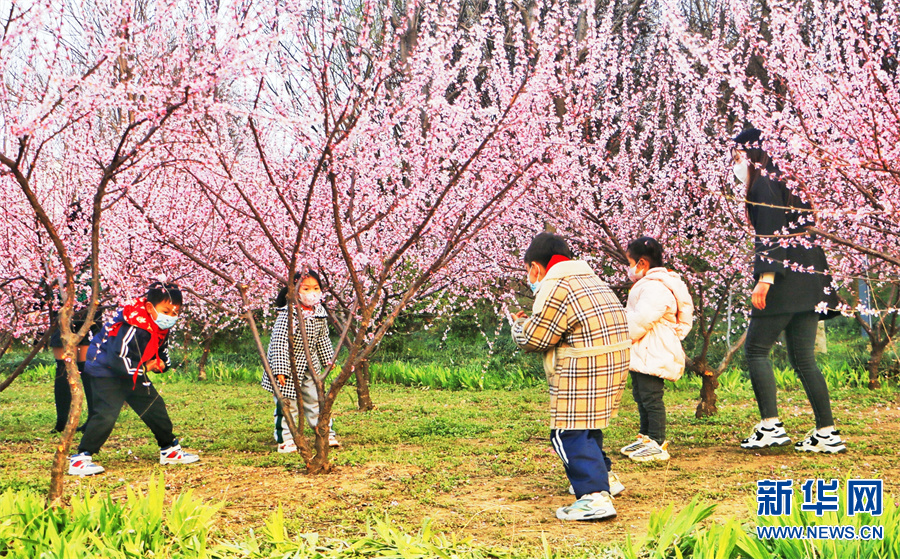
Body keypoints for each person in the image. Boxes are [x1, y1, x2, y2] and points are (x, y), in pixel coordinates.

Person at [731, 128, 845, 453]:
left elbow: (770, 230)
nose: (736, 162)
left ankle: (770, 425)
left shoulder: (764, 184)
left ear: (751, 153)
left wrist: (765, 277)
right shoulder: (788, 181)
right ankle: (827, 432)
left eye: (738, 155)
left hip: (783, 280)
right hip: (810, 279)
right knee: (804, 359)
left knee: (756, 350)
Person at [511, 233, 631, 521]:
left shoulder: (556, 285)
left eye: (528, 269)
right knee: (587, 427)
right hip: (612, 359)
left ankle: (593, 497)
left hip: (585, 364)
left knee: (566, 432)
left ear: (536, 267)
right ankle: (605, 479)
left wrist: (519, 327)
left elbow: (537, 338)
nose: (529, 276)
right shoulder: (591, 279)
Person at [68, 282, 200, 476]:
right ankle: (81, 458)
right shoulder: (132, 325)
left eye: (175, 312)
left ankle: (169, 449)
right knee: (106, 413)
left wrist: (162, 362)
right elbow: (117, 359)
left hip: (133, 371)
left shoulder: (159, 324)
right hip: (106, 372)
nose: (170, 317)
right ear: (149, 307)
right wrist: (146, 367)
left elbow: (160, 347)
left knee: (155, 406)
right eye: (166, 311)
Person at [619, 237, 693, 462]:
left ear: (641, 263)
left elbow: (641, 320)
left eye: (630, 262)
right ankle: (646, 437)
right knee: (641, 395)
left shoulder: (656, 287)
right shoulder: (650, 284)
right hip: (645, 349)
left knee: (651, 397)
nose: (629, 268)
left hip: (654, 349)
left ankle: (658, 442)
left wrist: (620, 335)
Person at [262, 271, 340, 452]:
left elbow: (322, 339)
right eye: (306, 288)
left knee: (316, 400)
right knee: (288, 404)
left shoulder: (319, 313)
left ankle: (324, 433)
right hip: (288, 368)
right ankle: (286, 439)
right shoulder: (288, 314)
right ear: (296, 291)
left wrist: (328, 359)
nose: (311, 293)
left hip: (310, 366)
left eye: (316, 288)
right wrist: (280, 369)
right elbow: (279, 343)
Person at [50, 311, 98, 433]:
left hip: (80, 309)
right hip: (84, 307)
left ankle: (63, 422)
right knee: (67, 367)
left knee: (74, 367)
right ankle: (65, 421)